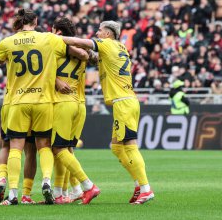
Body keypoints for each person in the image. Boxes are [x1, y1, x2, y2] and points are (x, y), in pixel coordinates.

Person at [0, 9, 88, 205]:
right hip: (43, 101)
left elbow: (0, 59)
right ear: (36, 21)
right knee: (44, 146)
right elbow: (71, 44)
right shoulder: (47, 38)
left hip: (18, 101)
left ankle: (12, 193)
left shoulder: (6, 43)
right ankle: (47, 182)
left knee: (15, 148)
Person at [61, 20, 154, 205]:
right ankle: (138, 184)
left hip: (123, 102)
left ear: (108, 34)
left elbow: (83, 42)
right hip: (126, 101)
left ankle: (146, 189)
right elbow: (94, 57)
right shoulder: (118, 48)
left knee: (130, 146)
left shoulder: (108, 44)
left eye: (100, 30)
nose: (97, 32)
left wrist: (55, 38)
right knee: (116, 147)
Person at [51, 17, 100, 205]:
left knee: (59, 149)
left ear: (59, 32)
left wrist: (55, 81)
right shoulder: (83, 52)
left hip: (64, 102)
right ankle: (72, 191)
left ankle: (87, 186)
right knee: (68, 150)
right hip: (80, 103)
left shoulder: (55, 47)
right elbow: (90, 57)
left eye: (53, 30)